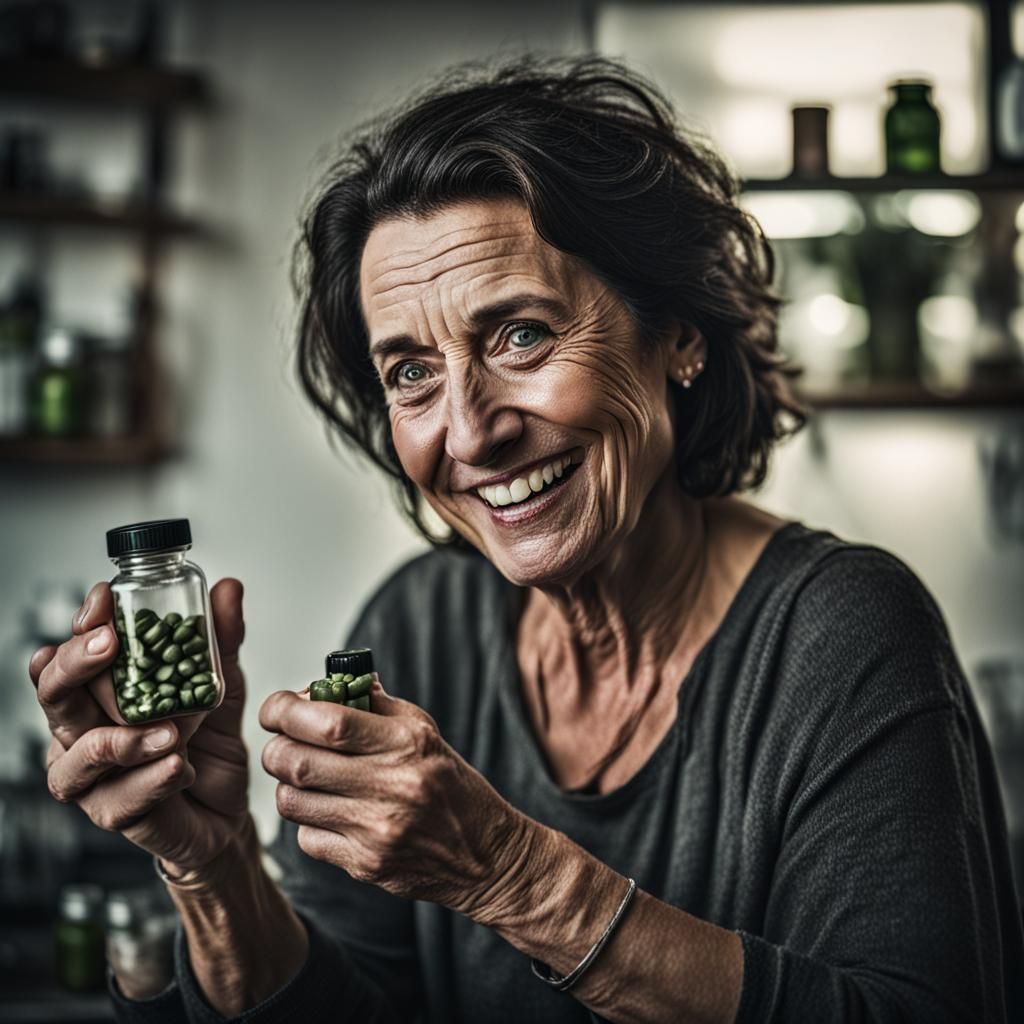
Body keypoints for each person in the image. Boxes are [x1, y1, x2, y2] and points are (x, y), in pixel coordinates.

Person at [32, 57, 1023, 1023]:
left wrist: (510, 871)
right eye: (411, 370)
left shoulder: (843, 633)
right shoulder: (422, 624)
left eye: (519, 334)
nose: (468, 434)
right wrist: (212, 868)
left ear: (678, 331)